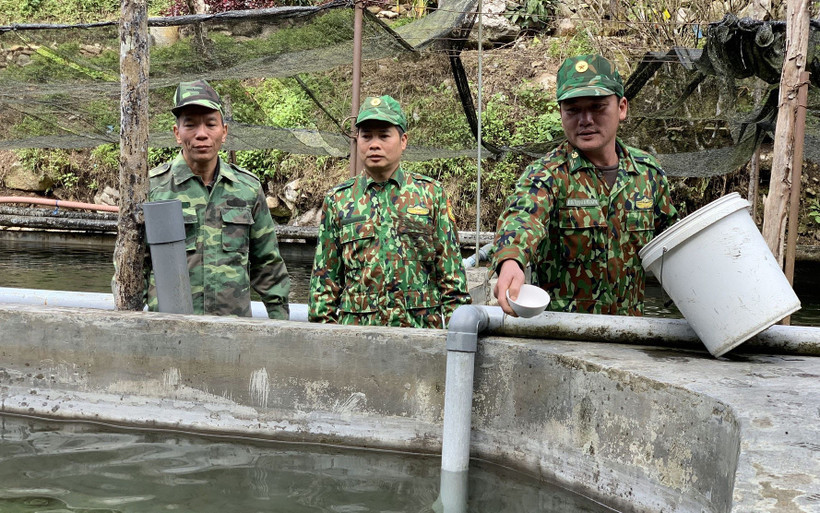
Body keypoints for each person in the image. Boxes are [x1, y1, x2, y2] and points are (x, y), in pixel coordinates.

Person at [492, 54, 678, 316]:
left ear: (622, 108)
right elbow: (523, 217)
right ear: (561, 113)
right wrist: (511, 261)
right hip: (567, 338)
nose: (585, 119)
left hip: (631, 338)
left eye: (598, 107)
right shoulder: (548, 175)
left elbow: (675, 245)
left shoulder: (647, 174)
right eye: (573, 110)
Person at [309, 95, 471, 328]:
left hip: (420, 333)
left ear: (403, 141)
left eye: (384, 136)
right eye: (366, 136)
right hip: (357, 335)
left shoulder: (430, 195)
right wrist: (324, 339)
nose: (374, 144)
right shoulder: (339, 200)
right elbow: (324, 283)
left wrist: (458, 336)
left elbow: (452, 277)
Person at [144, 79, 290, 318]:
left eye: (211, 124)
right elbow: (135, 265)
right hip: (169, 330)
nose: (202, 134)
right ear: (176, 133)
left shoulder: (247, 189)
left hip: (232, 332)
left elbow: (267, 264)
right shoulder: (153, 189)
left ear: (224, 132)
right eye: (190, 125)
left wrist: (281, 323)